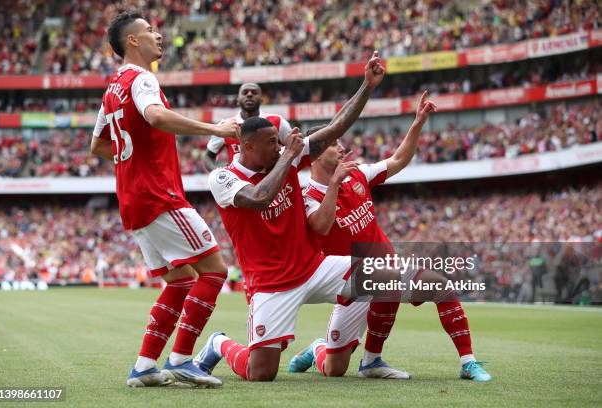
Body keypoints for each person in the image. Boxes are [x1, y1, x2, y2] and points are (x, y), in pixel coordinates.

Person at [193, 52, 387, 382]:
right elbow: (259, 197)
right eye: (271, 144)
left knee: (377, 274)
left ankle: (332, 347)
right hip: (271, 285)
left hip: (313, 267)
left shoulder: (283, 158)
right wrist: (290, 159)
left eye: (279, 143)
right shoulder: (224, 179)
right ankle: (218, 343)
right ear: (247, 146)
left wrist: (366, 86)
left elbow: (336, 126)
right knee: (261, 373)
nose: (279, 147)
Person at [289, 91, 492, 382]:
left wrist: (418, 122)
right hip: (351, 284)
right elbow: (320, 228)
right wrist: (334, 184)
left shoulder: (358, 174)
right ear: (317, 154)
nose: (342, 146)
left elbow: (398, 159)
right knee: (335, 369)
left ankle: (465, 362)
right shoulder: (307, 197)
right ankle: (318, 348)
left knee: (442, 287)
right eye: (334, 143)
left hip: (386, 269)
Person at [90, 10, 239, 388]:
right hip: (159, 195)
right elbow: (156, 117)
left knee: (180, 282)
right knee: (214, 271)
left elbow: (98, 145)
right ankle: (183, 360)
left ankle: (144, 366)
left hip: (133, 199)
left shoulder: (112, 88)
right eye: (150, 30)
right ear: (133, 41)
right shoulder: (142, 79)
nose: (159, 35)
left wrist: (134, 163)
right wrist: (214, 128)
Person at [203, 82, 292, 172]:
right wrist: (219, 174)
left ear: (261, 99)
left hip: (271, 181)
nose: (249, 94)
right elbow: (208, 157)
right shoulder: (225, 125)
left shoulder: (278, 121)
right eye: (245, 92)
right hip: (239, 183)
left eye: (254, 92)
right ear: (238, 99)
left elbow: (293, 148)